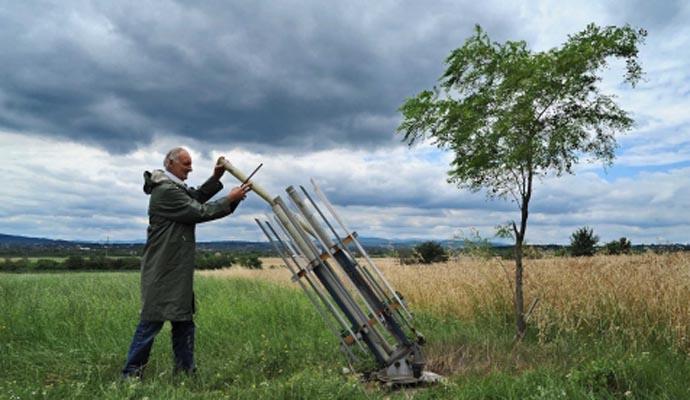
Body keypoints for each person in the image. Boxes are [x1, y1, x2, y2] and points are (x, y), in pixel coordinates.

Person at [122, 147, 251, 379]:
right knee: (151, 322)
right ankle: (131, 375)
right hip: (162, 269)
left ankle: (184, 372)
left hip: (174, 269)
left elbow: (196, 197)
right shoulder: (165, 191)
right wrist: (229, 198)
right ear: (170, 164)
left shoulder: (173, 187)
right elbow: (199, 211)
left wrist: (216, 178)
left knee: (183, 321)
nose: (191, 168)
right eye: (186, 164)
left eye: (191, 164)